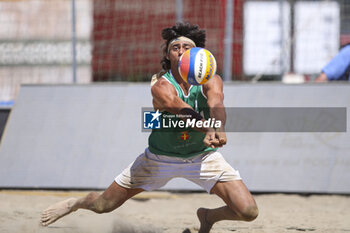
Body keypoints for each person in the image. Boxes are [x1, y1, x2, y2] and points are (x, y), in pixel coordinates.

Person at [41, 22, 258, 233]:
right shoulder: (161, 84)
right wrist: (209, 129)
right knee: (102, 206)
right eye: (175, 47)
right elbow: (181, 110)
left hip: (202, 157)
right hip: (158, 158)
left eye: (187, 47)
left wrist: (218, 126)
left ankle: (208, 216)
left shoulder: (211, 79)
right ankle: (75, 204)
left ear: (198, 53)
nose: (181, 51)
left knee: (248, 211)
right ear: (167, 55)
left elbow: (216, 103)